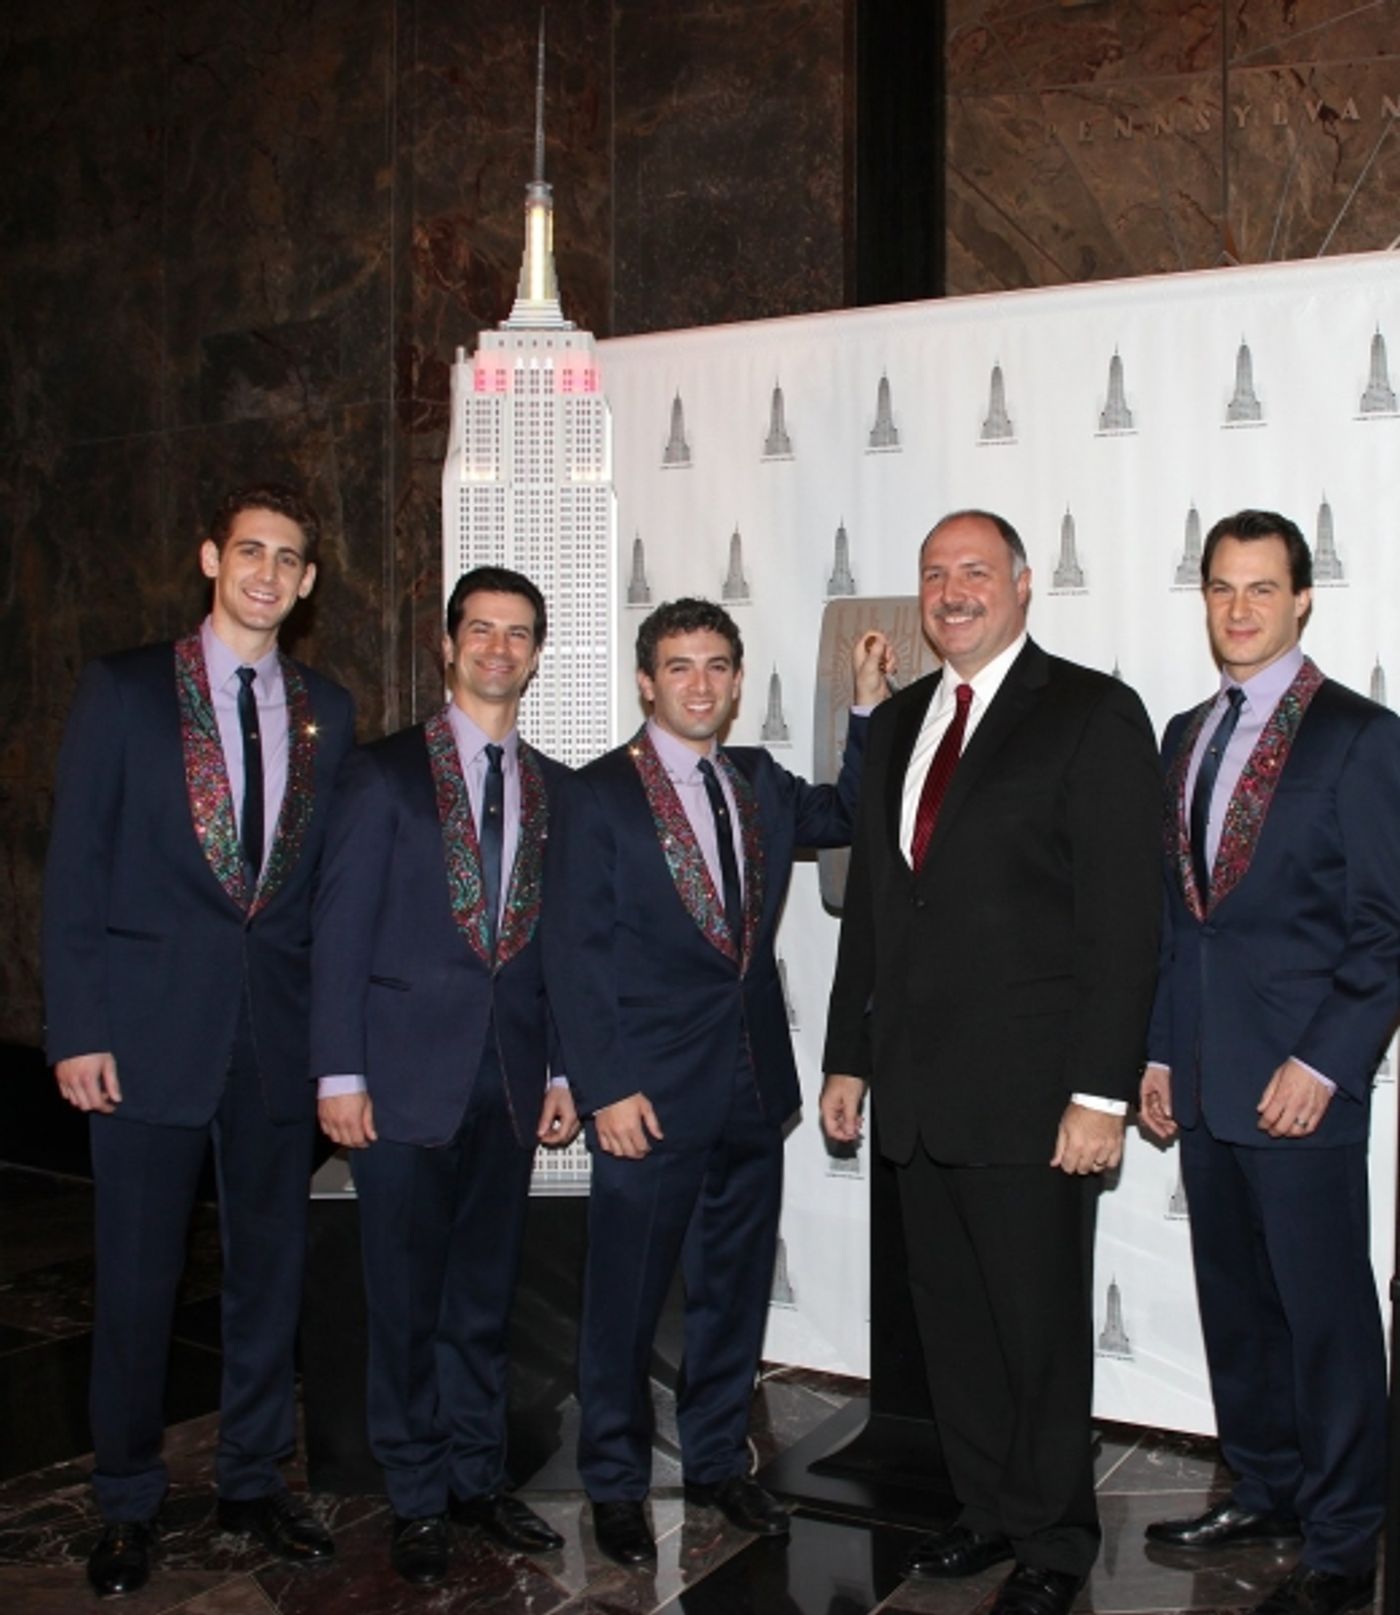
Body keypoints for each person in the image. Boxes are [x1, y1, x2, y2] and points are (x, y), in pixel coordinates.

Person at [821, 510, 1161, 1615]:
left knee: (1034, 1329)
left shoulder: (1091, 713)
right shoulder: (900, 719)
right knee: (955, 1327)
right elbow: (876, 908)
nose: (951, 590)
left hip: (1035, 1097)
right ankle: (984, 1509)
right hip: (917, 1092)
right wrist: (847, 1057)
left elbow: (1124, 922)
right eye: (933, 574)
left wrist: (1099, 1091)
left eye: (974, 570)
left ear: (1022, 584)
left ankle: (1054, 1537)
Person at [43, 484, 354, 1598]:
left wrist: (334, 1045)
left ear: (308, 583)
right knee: (137, 1278)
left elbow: (322, 894)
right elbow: (75, 866)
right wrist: (78, 1027)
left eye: (288, 558)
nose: (267, 572)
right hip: (143, 1036)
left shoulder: (327, 710)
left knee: (270, 1276)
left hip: (273, 1037)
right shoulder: (127, 689)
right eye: (249, 551)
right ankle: (126, 1500)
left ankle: (251, 1481)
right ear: (211, 559)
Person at [544, 597, 891, 1567]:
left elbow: (847, 813)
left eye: (715, 666)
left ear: (737, 683)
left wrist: (866, 708)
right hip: (643, 1101)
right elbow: (573, 952)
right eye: (678, 666)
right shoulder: (598, 795)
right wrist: (604, 1086)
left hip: (748, 1086)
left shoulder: (757, 781)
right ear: (645, 681)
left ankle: (714, 1461)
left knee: (732, 1297)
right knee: (625, 1303)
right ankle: (614, 1482)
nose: (698, 684)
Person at [1139, 510, 1399, 1615]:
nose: (1238, 608)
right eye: (1220, 587)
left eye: (1260, 588)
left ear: (1301, 599)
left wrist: (1324, 1063)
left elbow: (1385, 928)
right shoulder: (1183, 733)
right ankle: (1263, 1489)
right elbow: (1178, 919)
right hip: (1205, 1077)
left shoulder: (1358, 736)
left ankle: (1341, 1539)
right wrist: (1159, 1051)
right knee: (1237, 1309)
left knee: (1324, 1318)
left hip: (1302, 1084)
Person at [310, 566, 578, 1586]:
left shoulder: (551, 789)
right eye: (481, 629)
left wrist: (561, 1068)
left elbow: (557, 947)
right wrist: (338, 1072)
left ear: (536, 655)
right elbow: (338, 933)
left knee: (482, 1299)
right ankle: (416, 1494)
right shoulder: (381, 775)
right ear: (447, 643)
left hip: (508, 1080)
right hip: (397, 1082)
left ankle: (476, 1475)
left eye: (517, 633)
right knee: (404, 1303)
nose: (498, 647)